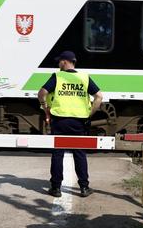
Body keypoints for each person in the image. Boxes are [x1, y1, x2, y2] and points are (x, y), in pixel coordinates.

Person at [37, 51, 103, 198]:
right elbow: (99, 96)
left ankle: (56, 188)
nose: (58, 64)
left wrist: (46, 109)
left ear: (64, 62)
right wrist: (90, 113)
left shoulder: (58, 76)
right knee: (79, 153)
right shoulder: (84, 77)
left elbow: (41, 93)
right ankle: (84, 187)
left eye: (59, 61)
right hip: (79, 121)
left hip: (60, 120)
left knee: (57, 153)